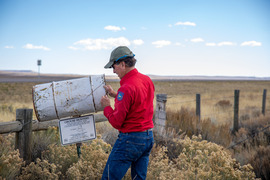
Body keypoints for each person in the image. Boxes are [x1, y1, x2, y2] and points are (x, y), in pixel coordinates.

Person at [100, 46, 155, 180]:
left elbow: (117, 122)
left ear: (123, 64)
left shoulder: (126, 88)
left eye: (114, 66)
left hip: (131, 140)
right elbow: (137, 101)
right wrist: (114, 94)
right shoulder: (146, 80)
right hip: (148, 137)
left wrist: (107, 108)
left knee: (109, 178)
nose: (113, 71)